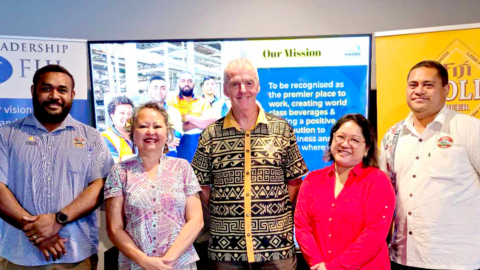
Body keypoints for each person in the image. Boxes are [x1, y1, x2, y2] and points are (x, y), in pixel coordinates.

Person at [191, 58, 308, 270]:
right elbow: (201, 186)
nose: (242, 90)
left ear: (258, 86)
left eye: (249, 83)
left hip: (276, 247)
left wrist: (271, 212)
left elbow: (295, 181)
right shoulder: (209, 135)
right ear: (225, 89)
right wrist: (227, 211)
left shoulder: (282, 130)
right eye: (234, 84)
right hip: (226, 250)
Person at [0, 64, 114, 268]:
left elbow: (100, 185)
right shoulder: (5, 135)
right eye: (46, 88)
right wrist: (38, 232)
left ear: (72, 94)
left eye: (62, 90)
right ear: (33, 91)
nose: (55, 95)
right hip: (18, 254)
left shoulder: (91, 137)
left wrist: (58, 220)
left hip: (77, 255)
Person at [380, 60, 480, 269]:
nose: (419, 91)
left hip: (457, 260)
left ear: (446, 90)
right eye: (413, 85)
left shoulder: (469, 129)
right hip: (402, 257)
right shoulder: (392, 136)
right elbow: (385, 195)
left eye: (428, 84)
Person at [105, 102, 203, 270]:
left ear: (167, 132)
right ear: (132, 133)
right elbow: (115, 228)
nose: (150, 132)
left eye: (157, 126)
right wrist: (145, 261)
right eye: (143, 126)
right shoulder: (120, 171)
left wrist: (169, 260)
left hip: (179, 264)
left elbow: (196, 220)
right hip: (136, 264)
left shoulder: (182, 167)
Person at [295, 114, 395, 270]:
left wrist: (335, 267)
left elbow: (375, 233)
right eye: (340, 137)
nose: (345, 144)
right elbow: (302, 227)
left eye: (354, 140)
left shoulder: (378, 181)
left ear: (367, 148)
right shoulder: (312, 180)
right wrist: (317, 265)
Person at [167, 72, 215, 162]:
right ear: (178, 84)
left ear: (194, 84)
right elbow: (172, 127)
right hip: (179, 144)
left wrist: (189, 118)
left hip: (200, 144)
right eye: (183, 81)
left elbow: (211, 122)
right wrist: (200, 122)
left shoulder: (203, 102)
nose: (186, 84)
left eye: (189, 81)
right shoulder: (171, 103)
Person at [148, 76, 183, 157]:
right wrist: (166, 142)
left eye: (162, 88)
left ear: (167, 91)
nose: (159, 91)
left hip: (170, 154)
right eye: (155, 88)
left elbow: (178, 134)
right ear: (149, 91)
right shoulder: (141, 113)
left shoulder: (174, 112)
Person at [102, 95, 135, 163]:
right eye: (122, 113)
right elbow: (114, 165)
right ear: (112, 116)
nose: (126, 116)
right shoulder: (105, 138)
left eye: (130, 113)